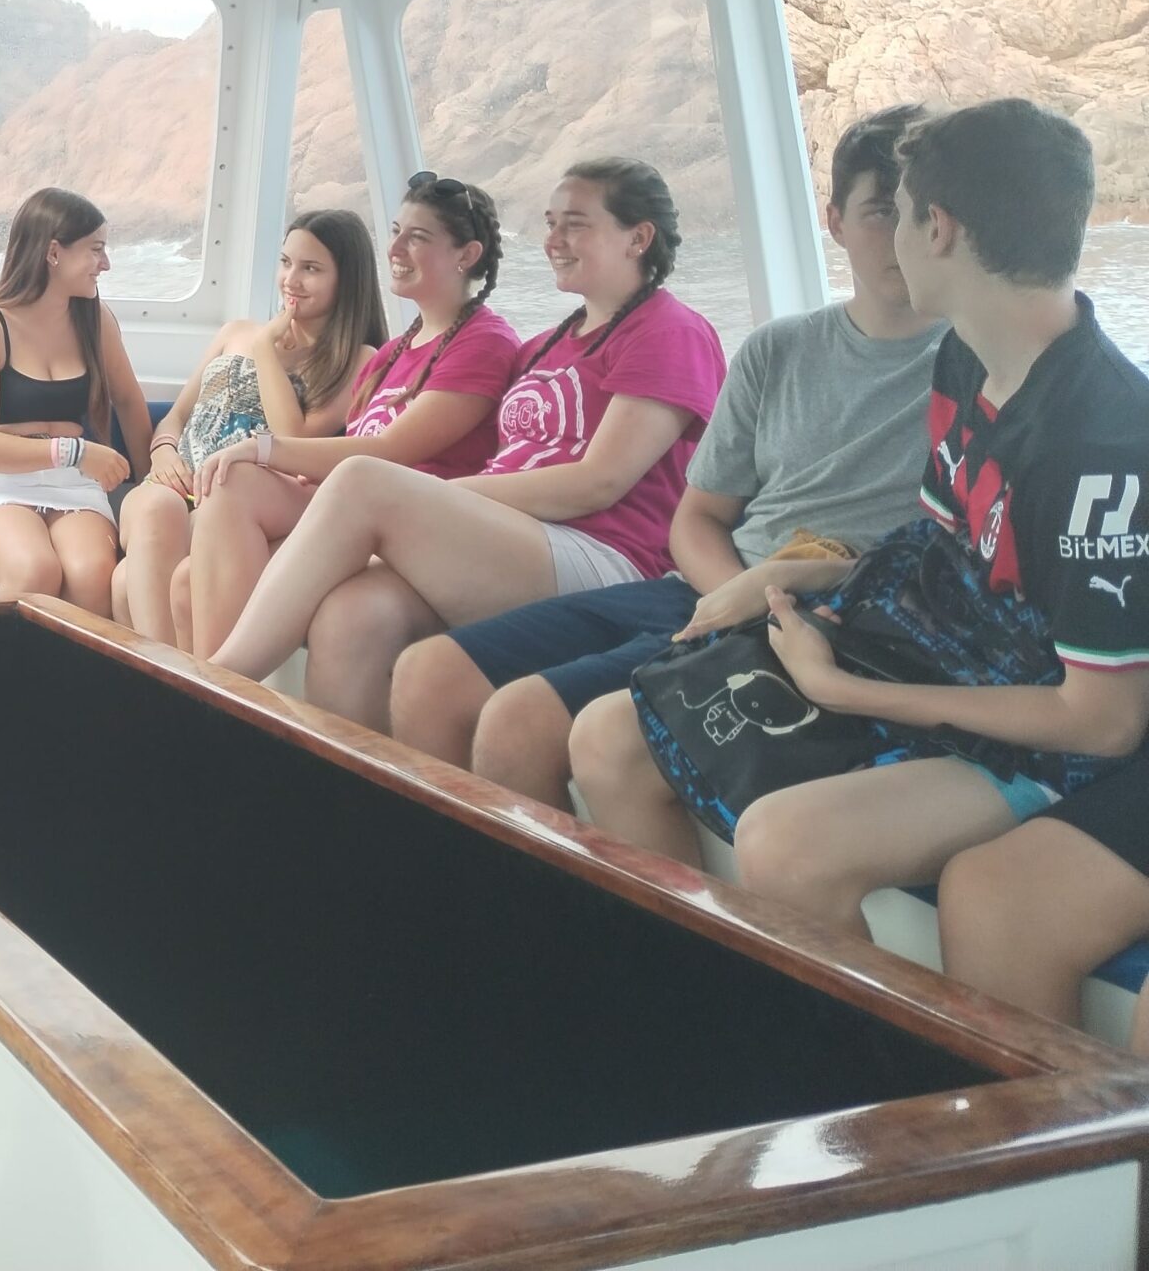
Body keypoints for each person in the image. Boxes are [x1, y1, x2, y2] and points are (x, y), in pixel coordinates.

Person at [573, 101, 1149, 946]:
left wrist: (846, 691)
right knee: (608, 734)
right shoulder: (966, 355)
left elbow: (1104, 721)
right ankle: (700, 987)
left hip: (1038, 732)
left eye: (900, 213)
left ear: (938, 229)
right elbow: (944, 549)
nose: (893, 239)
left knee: (787, 846)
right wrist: (799, 575)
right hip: (933, 651)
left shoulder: (1102, 446)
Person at [392, 110, 943, 804]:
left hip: (831, 615)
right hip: (707, 586)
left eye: (924, 212)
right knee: (430, 673)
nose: (906, 234)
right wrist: (738, 596)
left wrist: (769, 605)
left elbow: (600, 482)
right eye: (881, 211)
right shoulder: (777, 350)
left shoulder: (980, 367)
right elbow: (700, 518)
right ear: (833, 222)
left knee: (522, 724)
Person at [209, 159, 726, 733]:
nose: (553, 240)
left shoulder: (671, 331)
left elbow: (598, 481)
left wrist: (437, 496)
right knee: (351, 615)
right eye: (550, 223)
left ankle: (221, 687)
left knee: (363, 480)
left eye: (575, 224)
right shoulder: (545, 345)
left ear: (638, 238)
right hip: (517, 540)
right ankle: (340, 786)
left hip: (604, 556)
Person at [181, 176, 519, 657]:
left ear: (466, 255)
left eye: (417, 238)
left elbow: (390, 452)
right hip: (349, 506)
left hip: (414, 522)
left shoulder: (484, 342)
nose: (394, 249)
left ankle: (218, 687)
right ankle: (210, 691)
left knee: (236, 484)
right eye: (396, 232)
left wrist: (262, 448)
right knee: (191, 568)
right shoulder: (393, 353)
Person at [111, 210, 384, 647]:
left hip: (236, 500)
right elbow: (176, 417)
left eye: (311, 269)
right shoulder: (234, 332)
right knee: (156, 512)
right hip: (173, 485)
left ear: (346, 280)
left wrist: (265, 350)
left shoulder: (358, 359)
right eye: (286, 262)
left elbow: (293, 438)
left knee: (127, 579)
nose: (291, 280)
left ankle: (163, 675)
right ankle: (166, 676)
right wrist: (162, 453)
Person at [0, 188, 155, 615]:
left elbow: (130, 403)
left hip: (74, 486)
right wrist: (75, 450)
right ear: (54, 253)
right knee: (35, 570)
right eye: (96, 249)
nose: (106, 264)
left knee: (92, 575)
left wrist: (149, 488)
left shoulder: (96, 321)